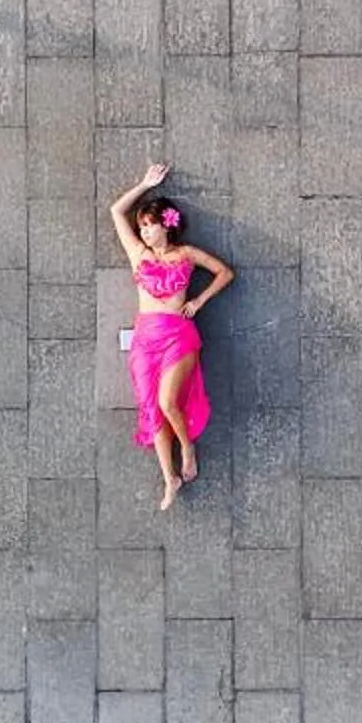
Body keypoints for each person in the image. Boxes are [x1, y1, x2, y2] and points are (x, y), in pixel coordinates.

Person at [109, 163, 234, 510]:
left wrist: (198, 300)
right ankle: (170, 479)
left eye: (150, 226)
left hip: (178, 335)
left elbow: (225, 272)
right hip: (145, 339)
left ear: (166, 224)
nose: (145, 233)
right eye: (142, 228)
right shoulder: (139, 254)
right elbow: (116, 211)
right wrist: (144, 184)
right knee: (153, 410)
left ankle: (188, 447)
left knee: (167, 403)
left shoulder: (186, 254)